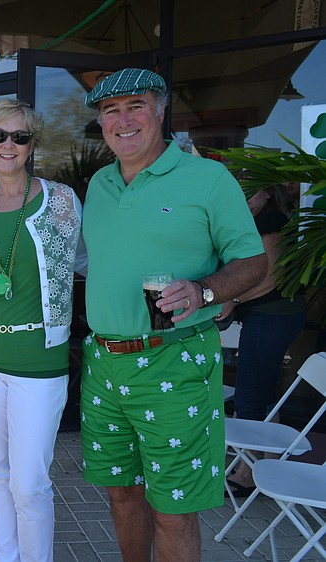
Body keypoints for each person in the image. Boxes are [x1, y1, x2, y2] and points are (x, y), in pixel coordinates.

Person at [79, 68, 267, 562]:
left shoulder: (207, 178)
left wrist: (205, 290)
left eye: (135, 106)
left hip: (175, 359)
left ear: (161, 111)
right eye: (110, 111)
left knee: (174, 507)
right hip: (104, 362)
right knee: (121, 492)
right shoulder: (98, 183)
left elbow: (252, 261)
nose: (123, 120)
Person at [0, 99, 86, 562]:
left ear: (32, 145)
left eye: (21, 137)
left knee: (29, 483)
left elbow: (90, 262)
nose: (9, 145)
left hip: (38, 359)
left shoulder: (62, 201)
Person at [220, 184, 307, 495]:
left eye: (250, 193)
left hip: (271, 316)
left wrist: (230, 299)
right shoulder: (269, 220)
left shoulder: (271, 223)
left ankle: (247, 474)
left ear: (266, 195)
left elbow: (264, 276)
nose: (244, 199)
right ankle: (271, 462)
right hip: (273, 316)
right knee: (266, 388)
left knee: (251, 393)